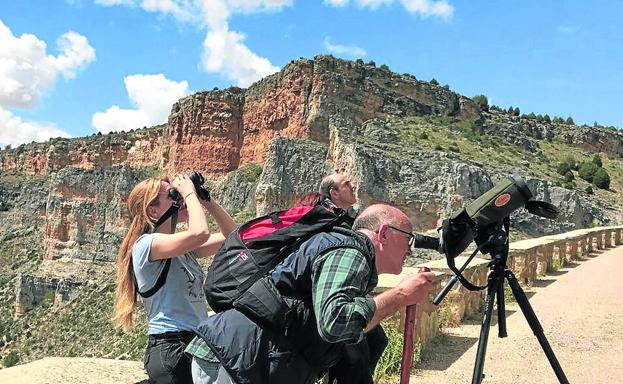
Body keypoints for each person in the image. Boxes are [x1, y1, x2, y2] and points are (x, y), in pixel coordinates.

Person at [188, 203, 435, 384]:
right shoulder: (350, 251)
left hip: (241, 358)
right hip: (235, 362)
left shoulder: (344, 250)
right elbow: (336, 322)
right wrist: (402, 294)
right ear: (383, 234)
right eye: (408, 240)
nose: (410, 251)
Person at [112, 173, 236, 384]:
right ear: (153, 210)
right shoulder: (146, 245)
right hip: (171, 348)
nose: (178, 198)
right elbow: (200, 233)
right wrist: (188, 193)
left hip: (195, 345)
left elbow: (232, 237)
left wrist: (205, 198)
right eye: (171, 195)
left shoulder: (182, 249)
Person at [321, 172, 386, 384]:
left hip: (354, 295)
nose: (352, 185)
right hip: (334, 299)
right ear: (334, 193)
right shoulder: (324, 219)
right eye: (346, 184)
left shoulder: (350, 219)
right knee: (355, 358)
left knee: (378, 341)